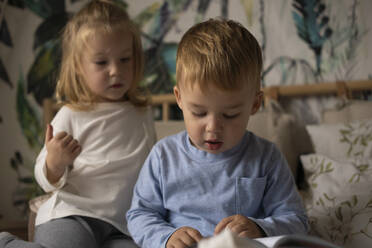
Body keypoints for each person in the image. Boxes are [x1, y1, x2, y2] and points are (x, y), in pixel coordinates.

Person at [126, 18, 309, 248]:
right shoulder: (164, 156)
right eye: (199, 113)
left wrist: (260, 227)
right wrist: (166, 237)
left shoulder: (267, 157)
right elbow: (140, 215)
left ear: (254, 104)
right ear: (179, 98)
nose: (213, 127)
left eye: (230, 115)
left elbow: (297, 220)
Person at [0, 1, 156, 248]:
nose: (116, 70)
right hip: (73, 214)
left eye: (125, 59)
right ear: (79, 68)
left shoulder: (142, 113)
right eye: (102, 63)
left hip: (122, 225)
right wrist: (54, 162)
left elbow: (152, 168)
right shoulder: (71, 114)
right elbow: (44, 175)